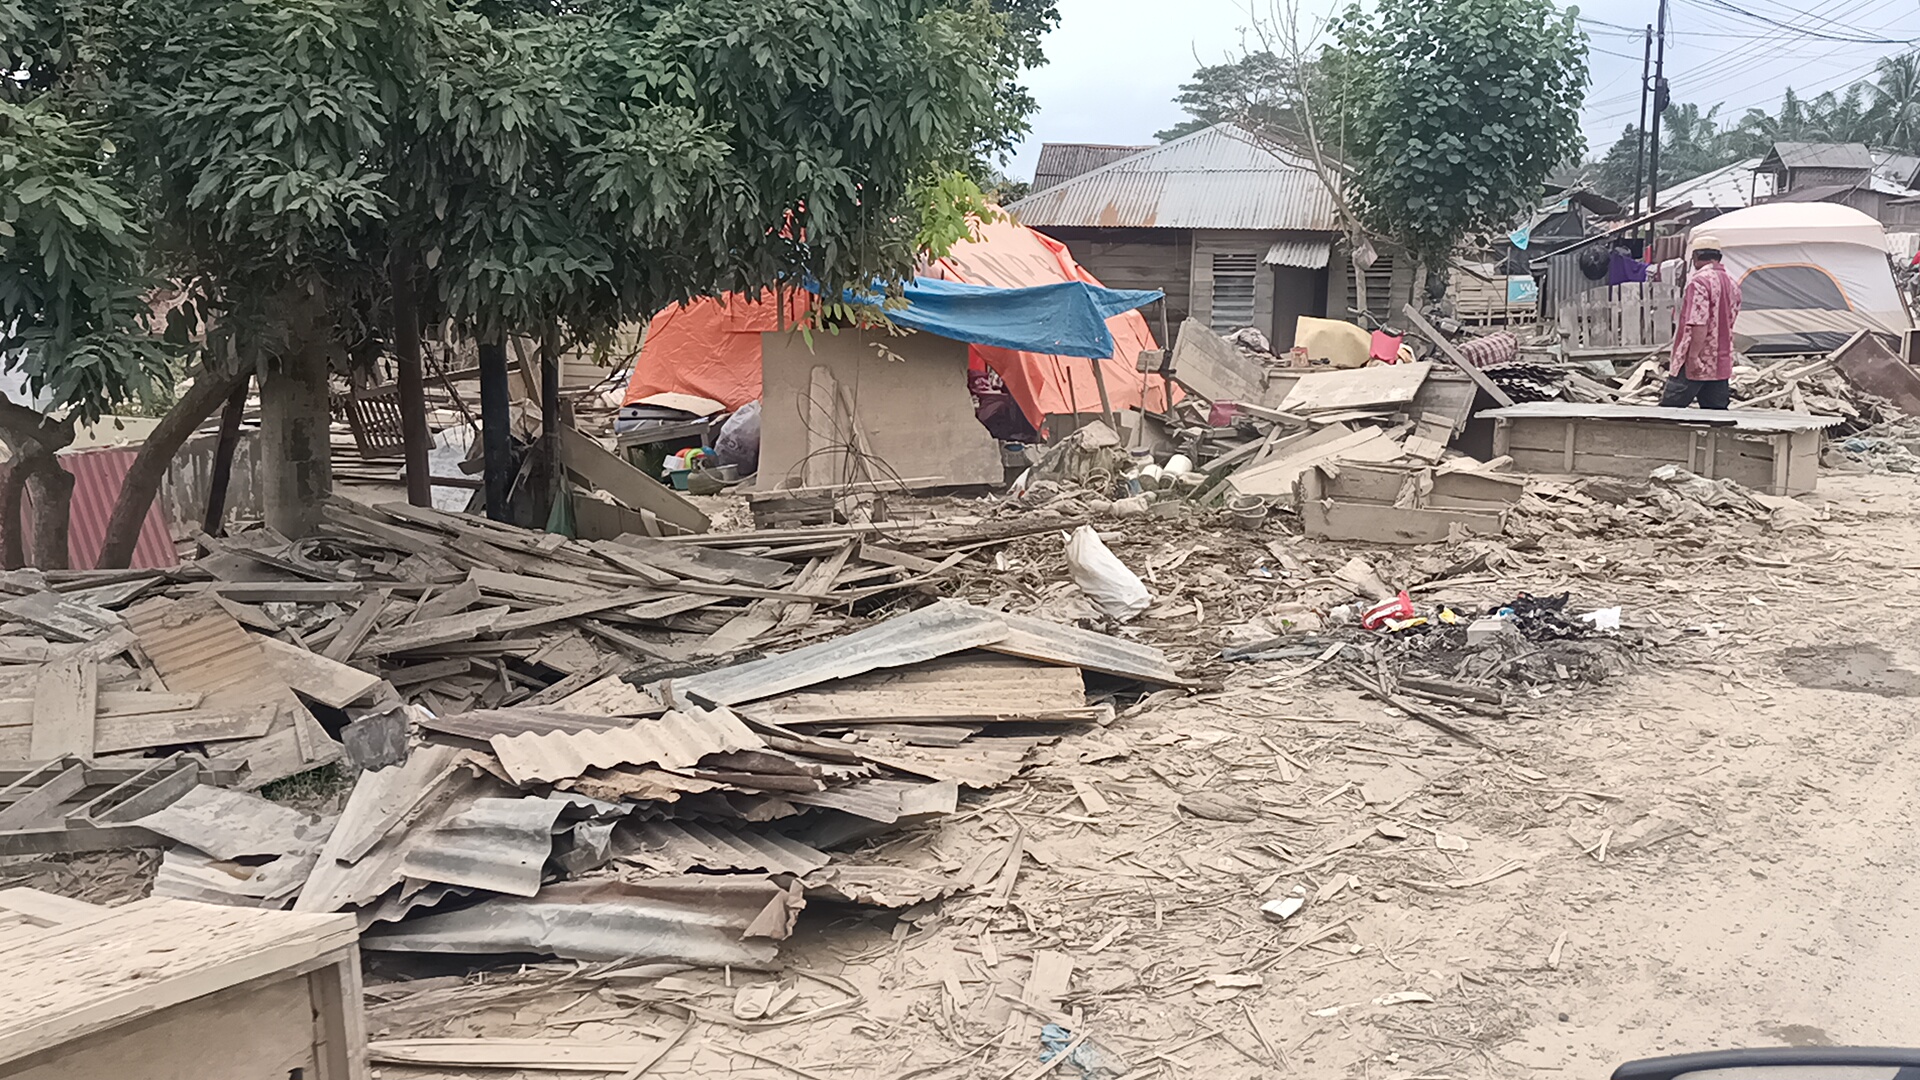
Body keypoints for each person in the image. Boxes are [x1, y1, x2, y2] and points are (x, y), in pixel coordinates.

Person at [1661, 234, 1743, 410]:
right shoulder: (1732, 283)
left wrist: (1693, 356)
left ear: (1696, 257)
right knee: (1716, 414)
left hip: (1698, 357)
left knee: (1669, 410)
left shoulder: (1699, 282)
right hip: (1721, 360)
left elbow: (1699, 322)